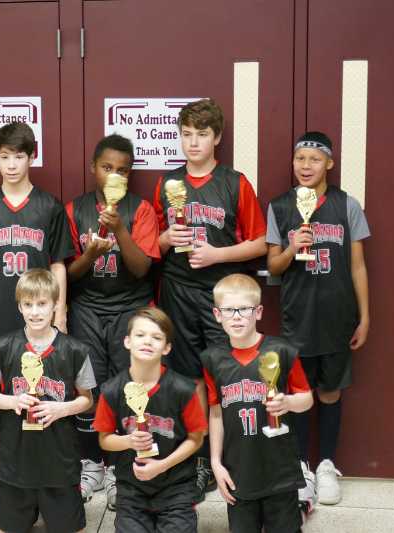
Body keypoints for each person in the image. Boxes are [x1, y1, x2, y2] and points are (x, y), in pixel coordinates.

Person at [153, 98, 267, 499]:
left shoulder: (235, 182)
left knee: (227, 377)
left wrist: (218, 254)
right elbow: (153, 245)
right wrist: (167, 238)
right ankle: (198, 462)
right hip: (178, 291)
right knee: (187, 379)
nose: (193, 143)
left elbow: (260, 243)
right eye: (186, 134)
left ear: (217, 137)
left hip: (223, 294)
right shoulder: (168, 183)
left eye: (201, 134)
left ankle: (234, 459)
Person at [266, 131, 371, 505]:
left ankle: (326, 464)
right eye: (300, 159)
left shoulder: (346, 205)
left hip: (337, 317)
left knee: (330, 392)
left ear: (329, 163)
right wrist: (293, 247)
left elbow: (358, 266)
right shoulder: (280, 206)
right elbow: (273, 266)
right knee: (299, 393)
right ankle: (300, 468)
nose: (306, 166)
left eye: (314, 159)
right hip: (298, 318)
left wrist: (365, 316)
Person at [64, 133, 160, 504]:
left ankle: (123, 469)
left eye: (122, 170)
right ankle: (91, 465)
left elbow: (142, 269)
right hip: (88, 307)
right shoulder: (75, 209)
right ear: (94, 168)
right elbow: (69, 274)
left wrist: (119, 228)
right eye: (107, 167)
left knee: (128, 388)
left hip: (130, 308)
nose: (114, 175)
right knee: (89, 389)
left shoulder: (140, 210)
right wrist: (90, 253)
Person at [0, 269, 95, 533]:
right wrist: (13, 402)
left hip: (59, 462)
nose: (35, 312)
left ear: (55, 305)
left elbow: (87, 400)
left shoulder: (75, 350)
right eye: (28, 304)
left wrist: (61, 408)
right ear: (19, 307)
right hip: (16, 461)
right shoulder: (2, 347)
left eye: (42, 304)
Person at [202, 273, 313, 532]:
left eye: (244, 309)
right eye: (229, 310)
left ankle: (301, 505)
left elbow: (307, 399)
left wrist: (288, 403)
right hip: (239, 470)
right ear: (217, 314)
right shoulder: (212, 359)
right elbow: (216, 414)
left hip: (279, 469)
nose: (237, 316)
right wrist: (216, 463)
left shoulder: (282, 351)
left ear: (259, 312)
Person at [0, 122, 73, 359]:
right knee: (0, 381)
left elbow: (58, 266)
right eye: (5, 157)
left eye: (19, 157)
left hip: (40, 315)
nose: (11, 165)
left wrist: (60, 314)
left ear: (32, 158)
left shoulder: (50, 206)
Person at [93, 307, 207, 532]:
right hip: (131, 489)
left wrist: (162, 466)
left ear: (167, 347)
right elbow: (104, 440)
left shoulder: (184, 389)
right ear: (127, 341)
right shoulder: (112, 390)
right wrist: (128, 441)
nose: (148, 341)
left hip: (177, 487)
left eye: (156, 337)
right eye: (140, 335)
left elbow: (196, 439)